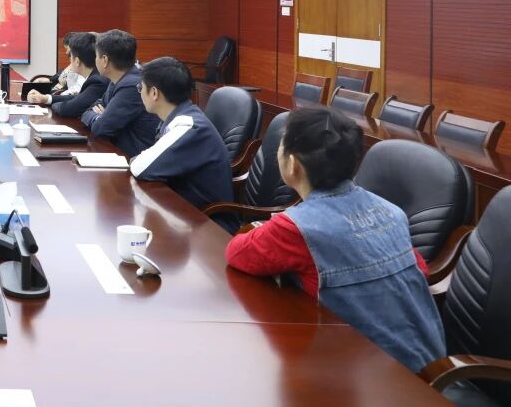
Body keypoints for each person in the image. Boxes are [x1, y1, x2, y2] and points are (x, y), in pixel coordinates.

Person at [224, 107, 444, 372]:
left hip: (374, 378)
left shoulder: (297, 228)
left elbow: (237, 253)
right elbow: (419, 271)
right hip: (430, 367)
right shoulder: (392, 212)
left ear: (292, 165)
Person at [129, 57, 235, 228]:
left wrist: (138, 159)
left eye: (141, 87)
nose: (139, 93)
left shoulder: (189, 126)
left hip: (208, 225)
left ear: (154, 93)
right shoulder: (180, 118)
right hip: (184, 213)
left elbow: (140, 167)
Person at [81, 30, 161, 157]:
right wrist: (100, 117)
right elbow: (88, 111)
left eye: (96, 56)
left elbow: (101, 128)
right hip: (116, 150)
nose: (95, 60)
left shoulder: (132, 85)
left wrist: (101, 118)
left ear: (105, 60)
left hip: (133, 158)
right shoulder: (118, 78)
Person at [26, 32, 108, 117]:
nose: (69, 62)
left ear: (77, 61)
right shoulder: (93, 76)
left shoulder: (98, 81)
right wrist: (45, 98)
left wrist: (53, 104)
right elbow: (76, 98)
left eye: (70, 56)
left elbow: (68, 109)